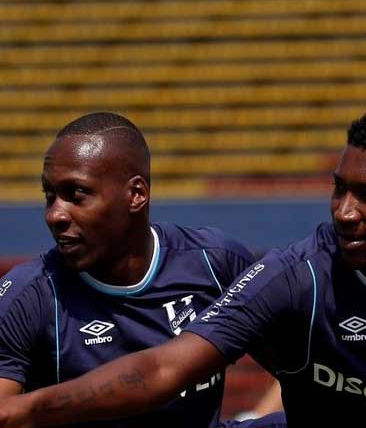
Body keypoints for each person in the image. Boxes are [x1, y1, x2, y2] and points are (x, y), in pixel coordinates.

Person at [0, 105, 366, 428]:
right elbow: (166, 369)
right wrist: (19, 414)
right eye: (338, 189)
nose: (344, 212)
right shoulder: (297, 270)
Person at [0, 112, 263, 427]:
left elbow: (304, 361)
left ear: (136, 194)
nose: (55, 215)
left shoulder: (215, 262)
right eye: (50, 196)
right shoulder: (27, 296)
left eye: (76, 195)